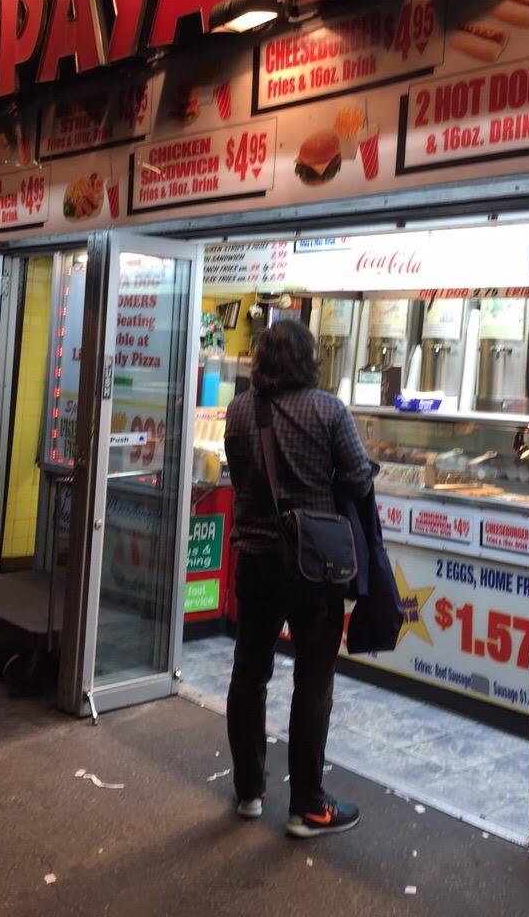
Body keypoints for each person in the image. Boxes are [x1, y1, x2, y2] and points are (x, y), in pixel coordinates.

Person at [224, 319, 374, 837]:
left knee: (249, 672)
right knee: (312, 680)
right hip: (314, 566)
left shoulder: (241, 408)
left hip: (256, 558)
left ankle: (248, 792)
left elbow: (239, 472)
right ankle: (308, 805)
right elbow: (358, 476)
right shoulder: (328, 408)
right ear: (309, 359)